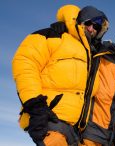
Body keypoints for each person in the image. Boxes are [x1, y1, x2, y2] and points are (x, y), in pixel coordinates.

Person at [12, 5, 109, 146]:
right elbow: (25, 66)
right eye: (88, 23)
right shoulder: (52, 36)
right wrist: (35, 106)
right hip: (51, 119)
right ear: (79, 20)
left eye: (96, 27)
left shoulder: (91, 55)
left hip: (75, 129)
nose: (91, 29)